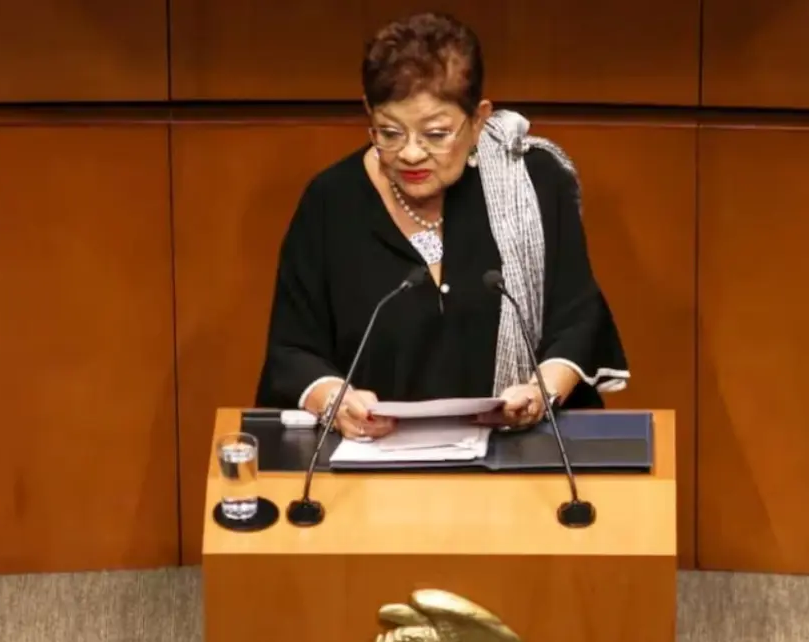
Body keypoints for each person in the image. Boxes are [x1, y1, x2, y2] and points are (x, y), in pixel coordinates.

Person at [254, 11, 629, 440]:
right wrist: (334, 398)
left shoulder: (533, 183)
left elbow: (577, 320)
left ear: (479, 118)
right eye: (390, 132)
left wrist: (540, 392)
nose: (411, 154)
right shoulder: (330, 202)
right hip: (372, 469)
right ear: (368, 113)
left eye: (435, 134)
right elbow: (293, 349)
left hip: (519, 457)